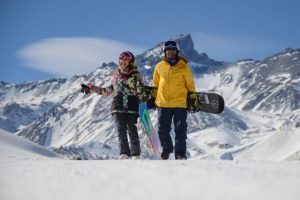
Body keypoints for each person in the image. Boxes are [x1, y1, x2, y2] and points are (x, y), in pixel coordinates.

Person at [81, 51, 146, 160]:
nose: (123, 61)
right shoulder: (116, 76)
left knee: (132, 130)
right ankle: (124, 154)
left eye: (126, 59)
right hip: (118, 106)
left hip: (131, 106)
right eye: (121, 59)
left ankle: (135, 155)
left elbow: (140, 90)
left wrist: (142, 99)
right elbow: (107, 91)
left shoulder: (136, 76)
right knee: (121, 130)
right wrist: (90, 87)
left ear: (130, 62)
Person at [153, 41, 197, 160]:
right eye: (168, 50)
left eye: (173, 49)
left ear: (177, 51)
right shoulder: (159, 66)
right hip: (163, 103)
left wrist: (193, 97)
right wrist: (153, 98)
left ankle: (180, 154)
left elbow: (190, 84)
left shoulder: (184, 66)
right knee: (162, 130)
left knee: (180, 130)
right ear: (165, 52)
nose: (170, 52)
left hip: (179, 103)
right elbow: (156, 84)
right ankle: (167, 150)